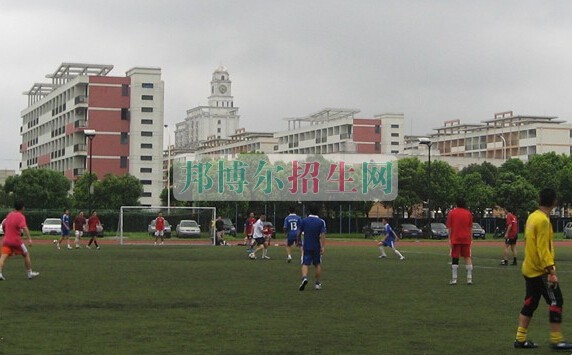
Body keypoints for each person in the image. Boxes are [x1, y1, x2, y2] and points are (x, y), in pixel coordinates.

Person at [513, 188, 572, 350]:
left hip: (529, 268)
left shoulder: (532, 216)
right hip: (540, 271)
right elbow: (543, 248)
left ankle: (520, 339)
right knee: (556, 300)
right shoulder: (544, 221)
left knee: (530, 303)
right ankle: (556, 339)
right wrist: (551, 272)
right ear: (554, 202)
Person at [0, 200, 39, 280]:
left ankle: (0, 273)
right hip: (16, 241)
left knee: (3, 257)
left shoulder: (9, 214)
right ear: (22, 207)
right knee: (26, 254)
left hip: (6, 240)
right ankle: (29, 273)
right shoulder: (21, 216)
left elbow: (4, 224)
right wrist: (29, 239)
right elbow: (25, 228)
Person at [298, 205, 326, 291]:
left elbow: (298, 232)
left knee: (305, 263)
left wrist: (298, 241)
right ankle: (317, 283)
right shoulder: (321, 222)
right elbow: (323, 235)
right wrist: (323, 246)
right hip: (316, 246)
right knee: (317, 264)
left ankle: (304, 278)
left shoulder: (304, 221)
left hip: (307, 245)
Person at [446, 197, 473, 285]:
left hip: (455, 238)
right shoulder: (468, 213)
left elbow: (449, 228)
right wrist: (471, 238)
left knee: (455, 258)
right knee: (467, 257)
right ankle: (469, 279)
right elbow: (470, 228)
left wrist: (449, 239)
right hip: (466, 238)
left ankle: (454, 279)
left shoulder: (452, 213)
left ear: (456, 204)